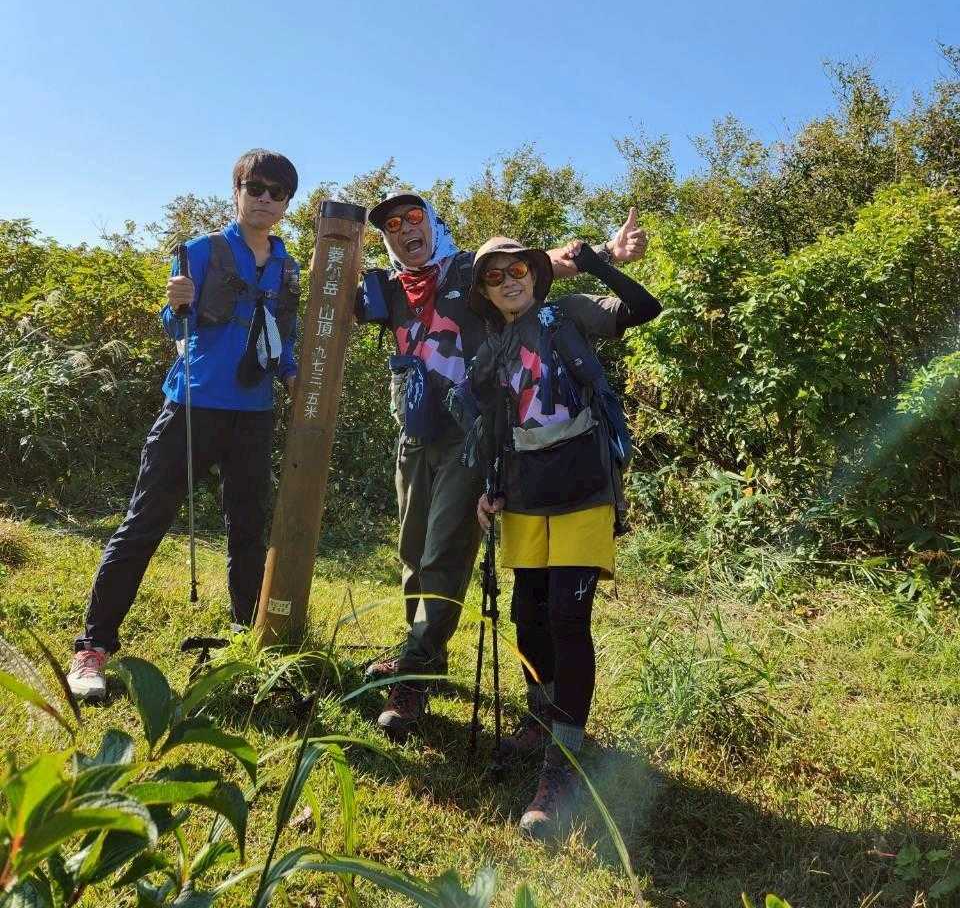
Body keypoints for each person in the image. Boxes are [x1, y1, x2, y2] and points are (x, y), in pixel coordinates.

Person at [356, 193, 648, 740]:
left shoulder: (468, 270)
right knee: (413, 552)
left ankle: (415, 673)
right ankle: (422, 652)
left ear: (432, 223)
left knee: (444, 552)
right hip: (414, 435)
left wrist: (608, 253)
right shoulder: (387, 289)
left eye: (414, 218)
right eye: (392, 226)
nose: (405, 230)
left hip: (468, 437)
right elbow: (323, 306)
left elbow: (534, 267)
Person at [67, 149, 301, 700]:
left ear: (287, 203)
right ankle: (92, 649)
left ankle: (247, 645)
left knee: (248, 529)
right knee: (144, 523)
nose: (265, 199)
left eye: (278, 192)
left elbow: (284, 339)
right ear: (237, 191)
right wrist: (174, 304)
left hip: (254, 412)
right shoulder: (201, 250)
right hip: (192, 407)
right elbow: (176, 324)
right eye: (256, 188)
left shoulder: (287, 265)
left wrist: (294, 378)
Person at [465, 233, 661, 839]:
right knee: (527, 613)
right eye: (495, 276)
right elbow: (496, 425)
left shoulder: (568, 313)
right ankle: (543, 716)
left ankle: (563, 760)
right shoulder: (494, 348)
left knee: (567, 619)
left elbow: (644, 308)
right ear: (485, 292)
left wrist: (598, 263)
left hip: (582, 488)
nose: (509, 281)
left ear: (534, 273)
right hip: (525, 493)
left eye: (517, 270)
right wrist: (490, 488)